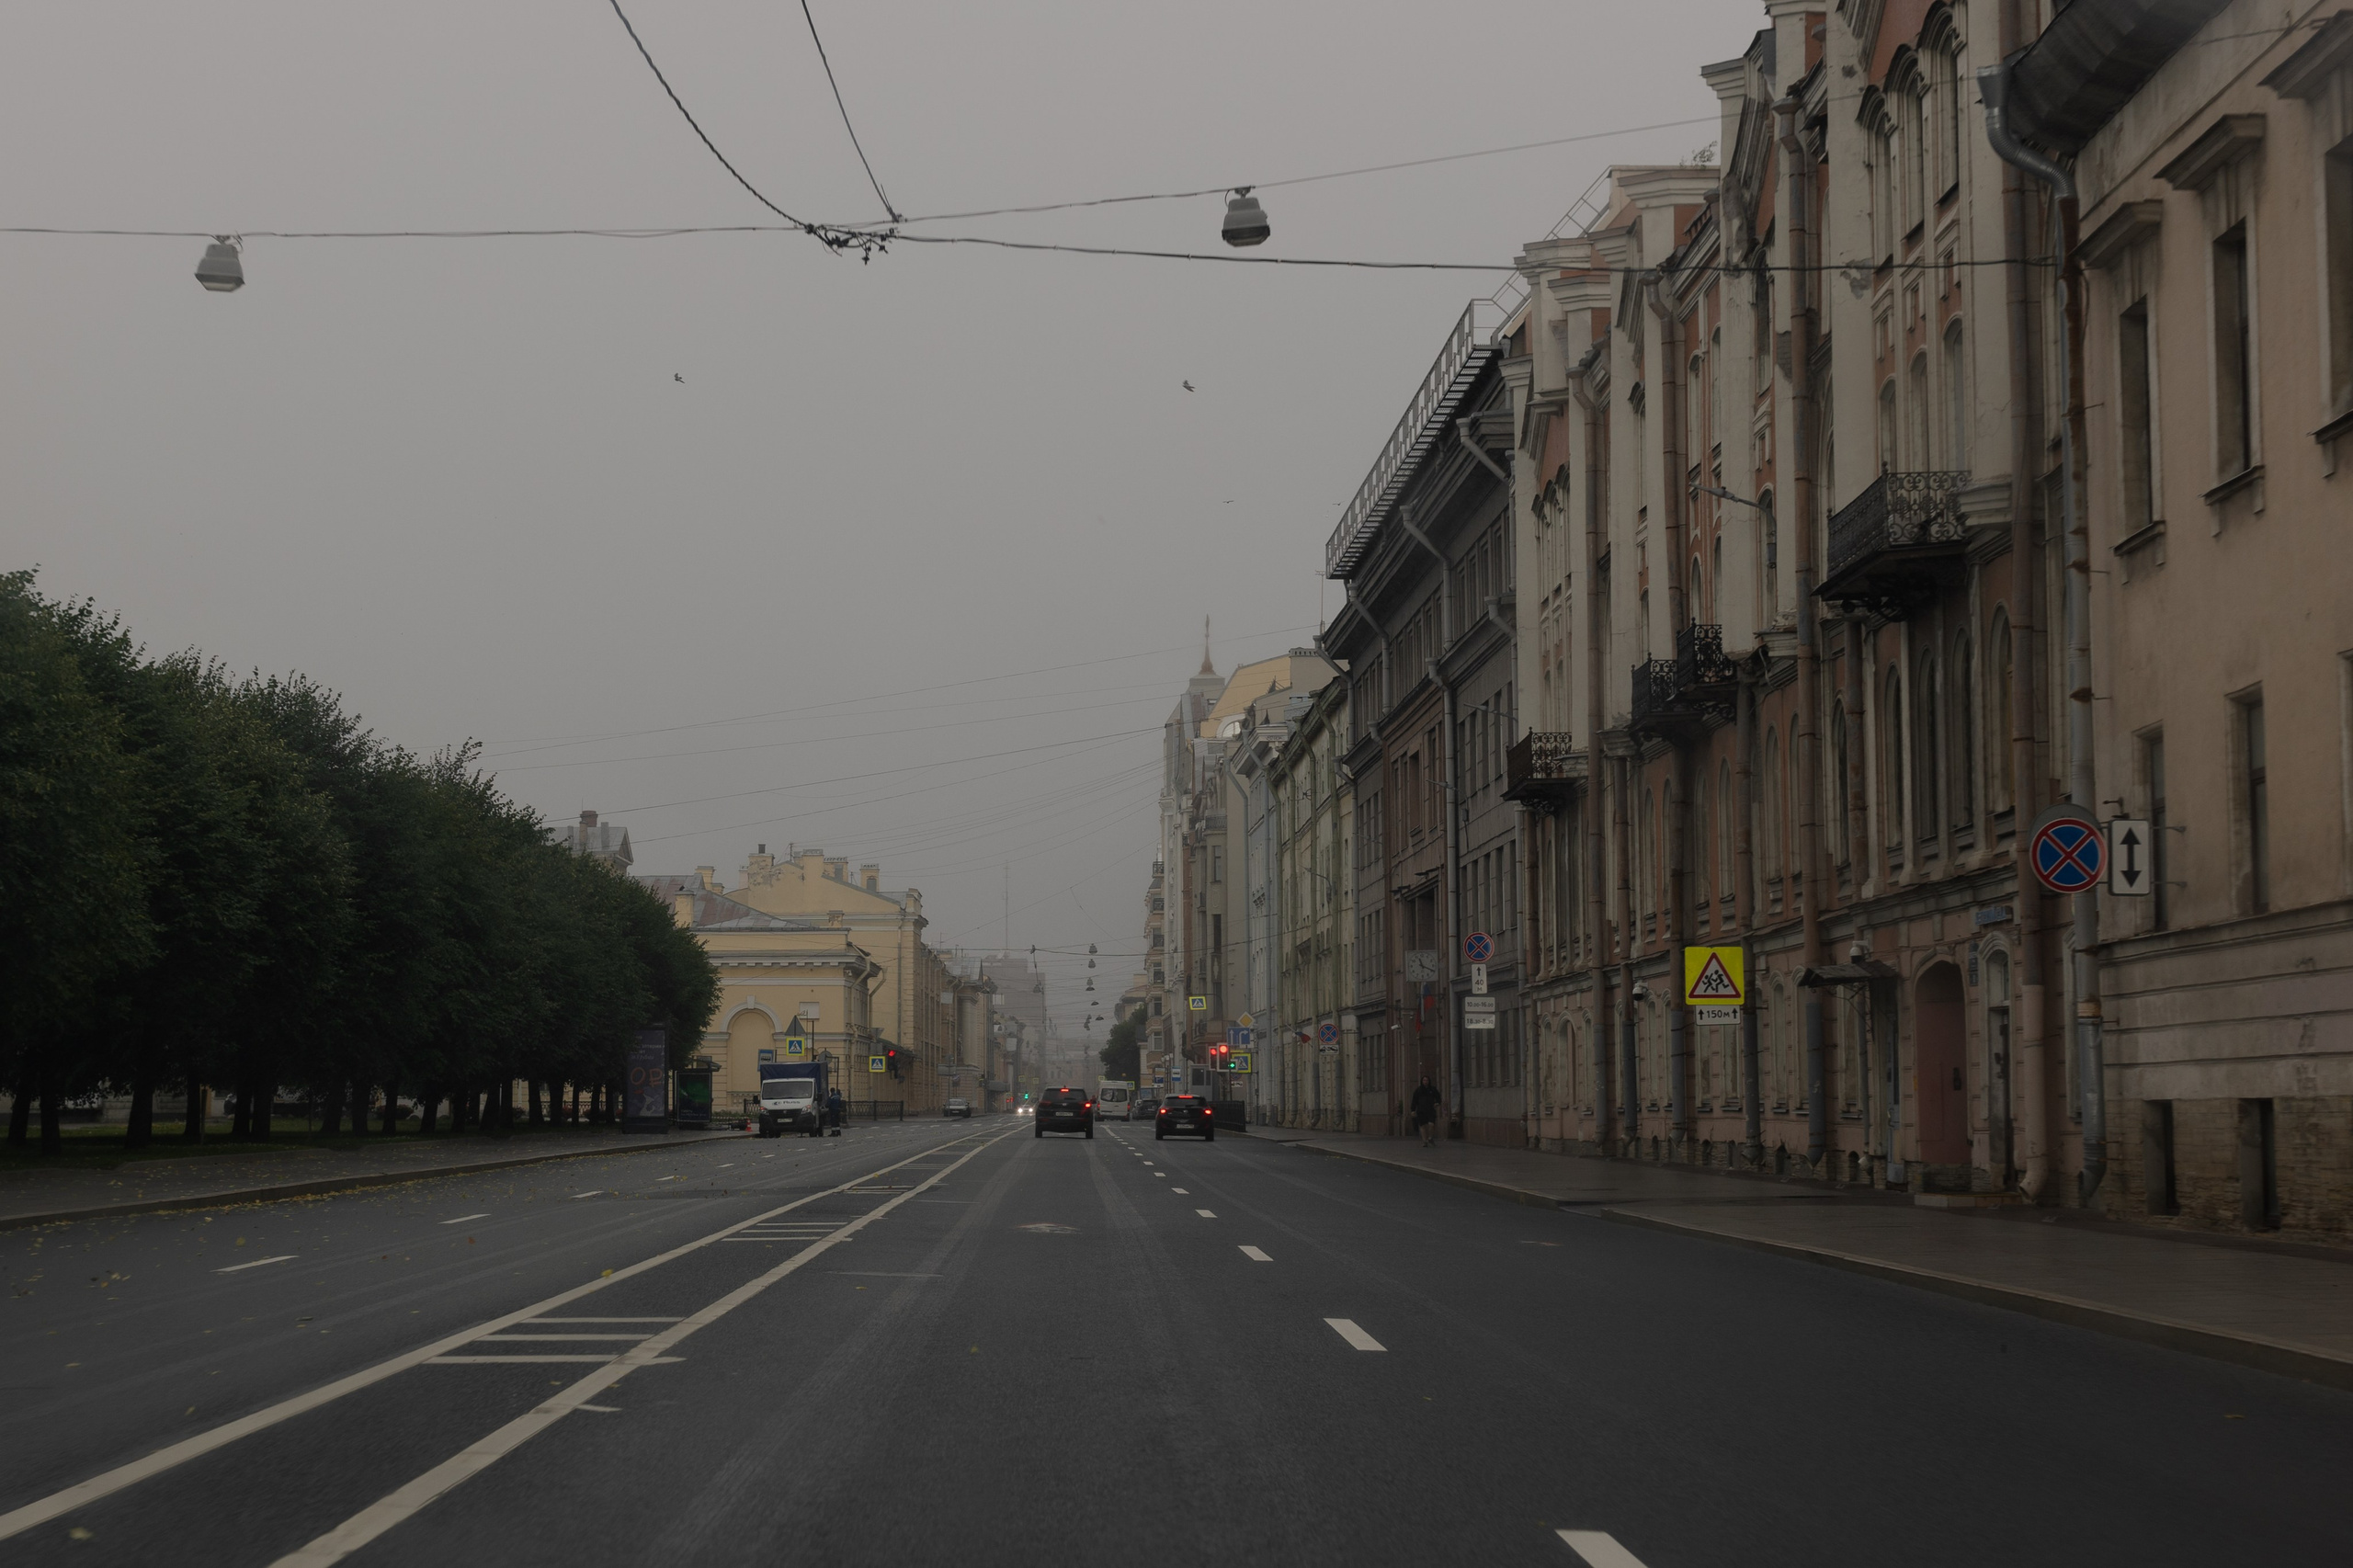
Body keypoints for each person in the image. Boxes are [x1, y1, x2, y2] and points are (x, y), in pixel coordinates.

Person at [1409, 1074, 1441, 1148]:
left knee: (1431, 1124)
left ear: (1429, 1081)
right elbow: (1414, 1101)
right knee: (1422, 1126)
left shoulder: (1432, 1089)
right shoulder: (1418, 1090)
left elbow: (1438, 1097)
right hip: (1421, 1110)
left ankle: (1430, 1137)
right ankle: (1425, 1141)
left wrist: (1437, 1103)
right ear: (1422, 1081)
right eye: (1424, 1080)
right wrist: (1413, 1110)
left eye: (1427, 1080)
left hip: (1430, 1110)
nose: (1425, 1082)